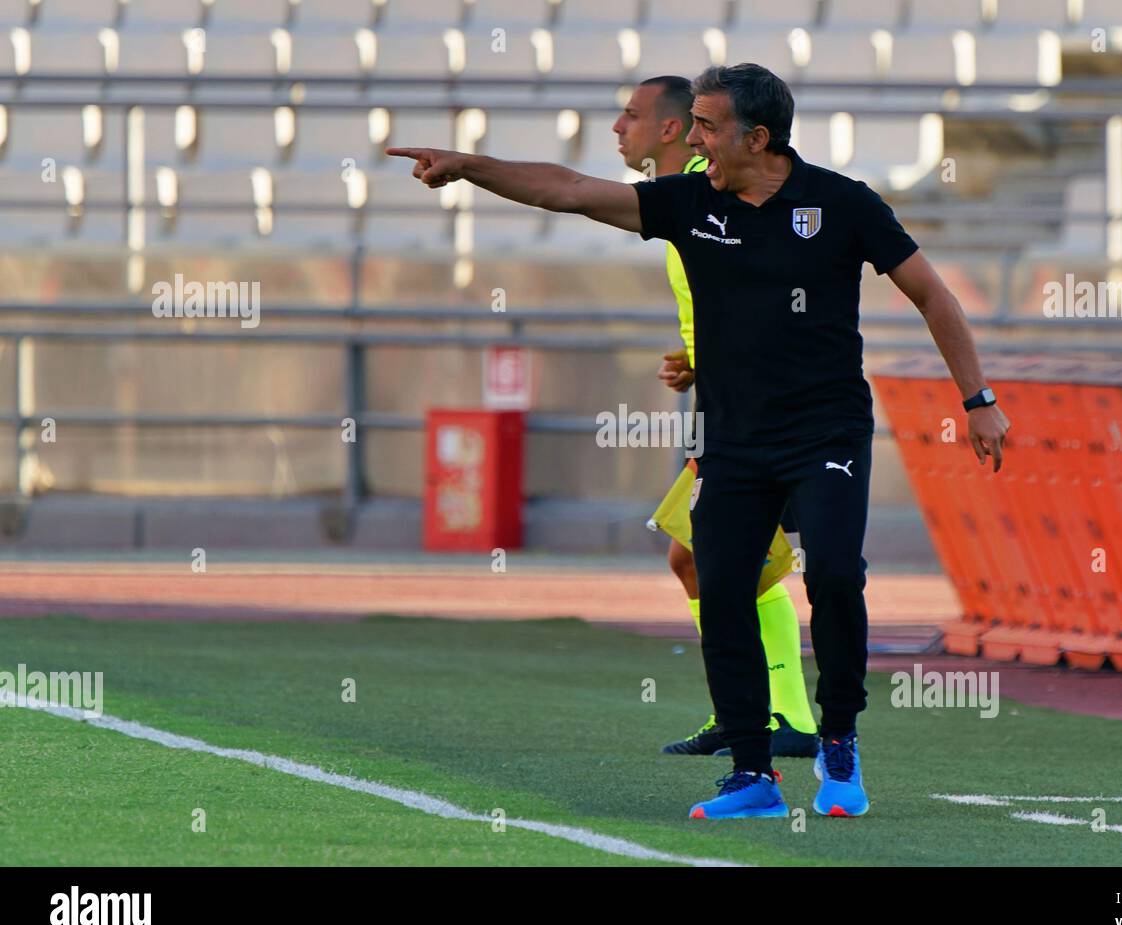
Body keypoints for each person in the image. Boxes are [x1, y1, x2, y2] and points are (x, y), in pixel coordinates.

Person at [387, 62, 1010, 821]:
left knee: (837, 576)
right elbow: (572, 191)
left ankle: (839, 738)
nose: (695, 142)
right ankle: (752, 772)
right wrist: (470, 168)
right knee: (719, 587)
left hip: (827, 429)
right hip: (733, 439)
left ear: (757, 137)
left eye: (709, 129)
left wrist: (977, 400)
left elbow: (931, 295)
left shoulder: (842, 203)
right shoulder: (690, 201)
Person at [614, 74, 818, 759]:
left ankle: (783, 717)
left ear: (672, 131)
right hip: (728, 399)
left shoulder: (721, 187)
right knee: (700, 559)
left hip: (769, 410)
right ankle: (751, 715)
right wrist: (700, 355)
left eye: (632, 116)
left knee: (727, 560)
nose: (618, 127)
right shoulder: (689, 202)